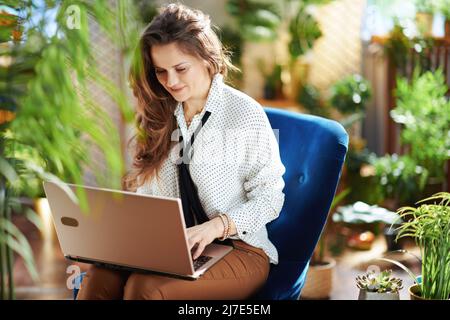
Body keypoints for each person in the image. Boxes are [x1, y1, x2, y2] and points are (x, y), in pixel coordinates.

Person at [76, 3, 285, 300]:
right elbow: (146, 197)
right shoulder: (159, 114)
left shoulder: (244, 113)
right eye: (161, 72)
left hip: (239, 248)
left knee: (145, 289)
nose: (171, 82)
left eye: (181, 69)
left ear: (206, 59)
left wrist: (215, 227)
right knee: (99, 277)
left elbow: (270, 198)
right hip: (171, 248)